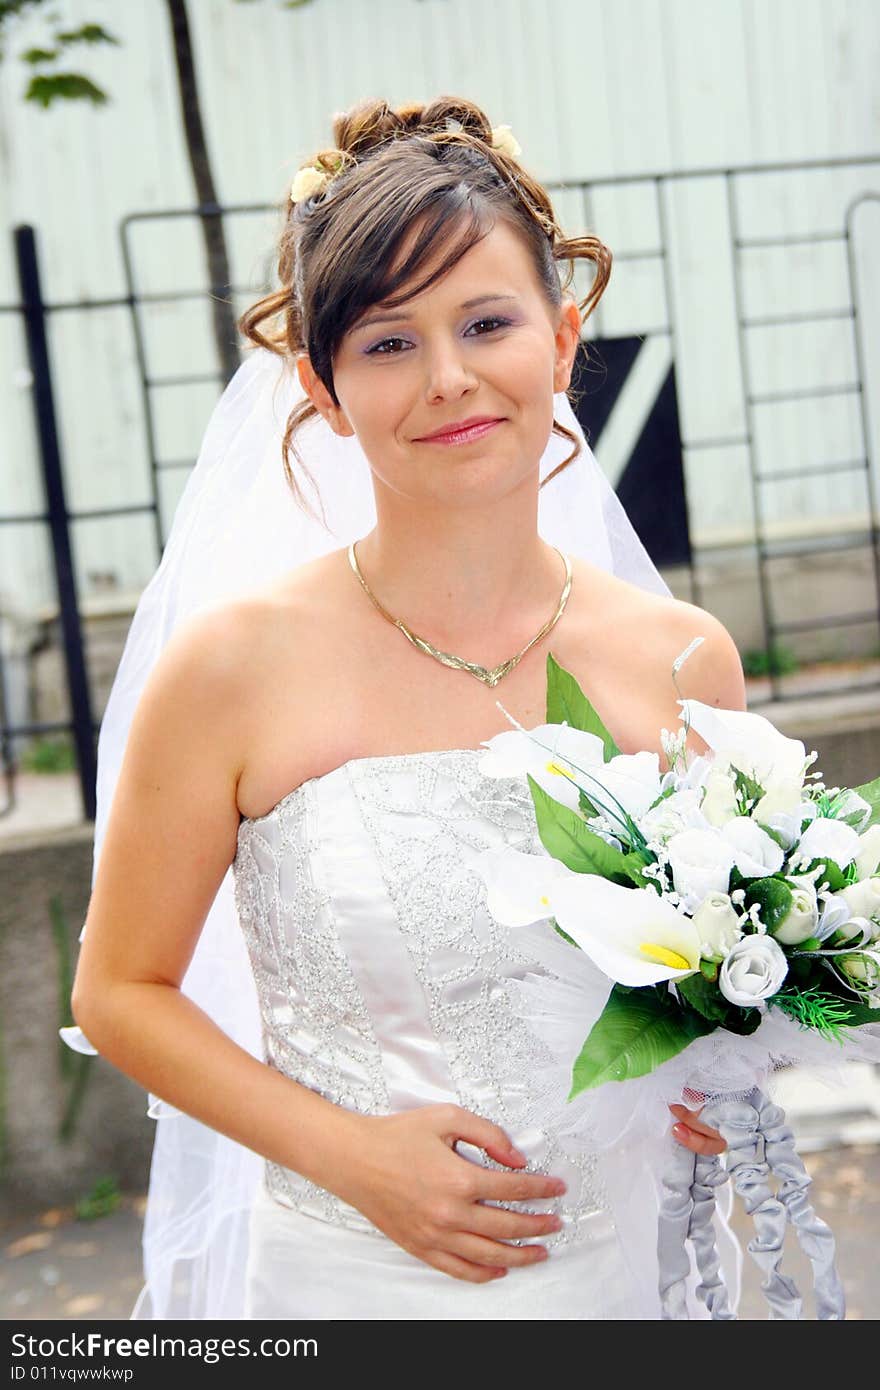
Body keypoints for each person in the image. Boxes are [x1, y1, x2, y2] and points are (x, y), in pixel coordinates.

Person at [69, 96, 745, 1320]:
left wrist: (709, 1064)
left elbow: (696, 986)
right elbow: (118, 991)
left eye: (487, 322)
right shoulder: (231, 669)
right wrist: (351, 1155)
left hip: (614, 1273)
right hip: (349, 1281)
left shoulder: (683, 660)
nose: (448, 379)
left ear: (562, 334)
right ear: (324, 390)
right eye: (386, 344)